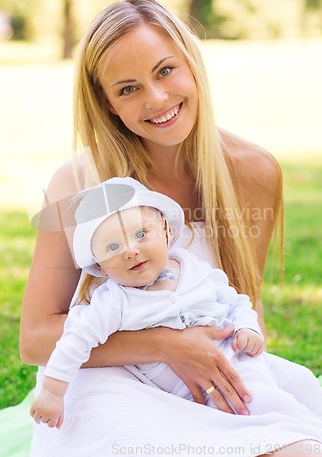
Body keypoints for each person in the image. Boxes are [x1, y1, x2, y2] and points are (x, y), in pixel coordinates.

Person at [20, 0, 322, 457]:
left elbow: (245, 302)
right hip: (110, 377)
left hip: (208, 362)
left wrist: (229, 357)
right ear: (108, 105)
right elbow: (36, 338)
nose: (157, 98)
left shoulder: (255, 171)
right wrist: (166, 345)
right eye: (128, 88)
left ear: (191, 63)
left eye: (165, 71)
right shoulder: (80, 182)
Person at [29, 177, 322, 434]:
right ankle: (307, 439)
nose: (131, 250)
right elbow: (73, 342)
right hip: (211, 385)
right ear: (100, 267)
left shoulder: (192, 268)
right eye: (113, 248)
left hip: (242, 357)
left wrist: (247, 325)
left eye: (141, 234)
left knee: (304, 382)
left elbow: (234, 299)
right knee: (273, 404)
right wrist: (53, 393)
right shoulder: (114, 302)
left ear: (167, 233)